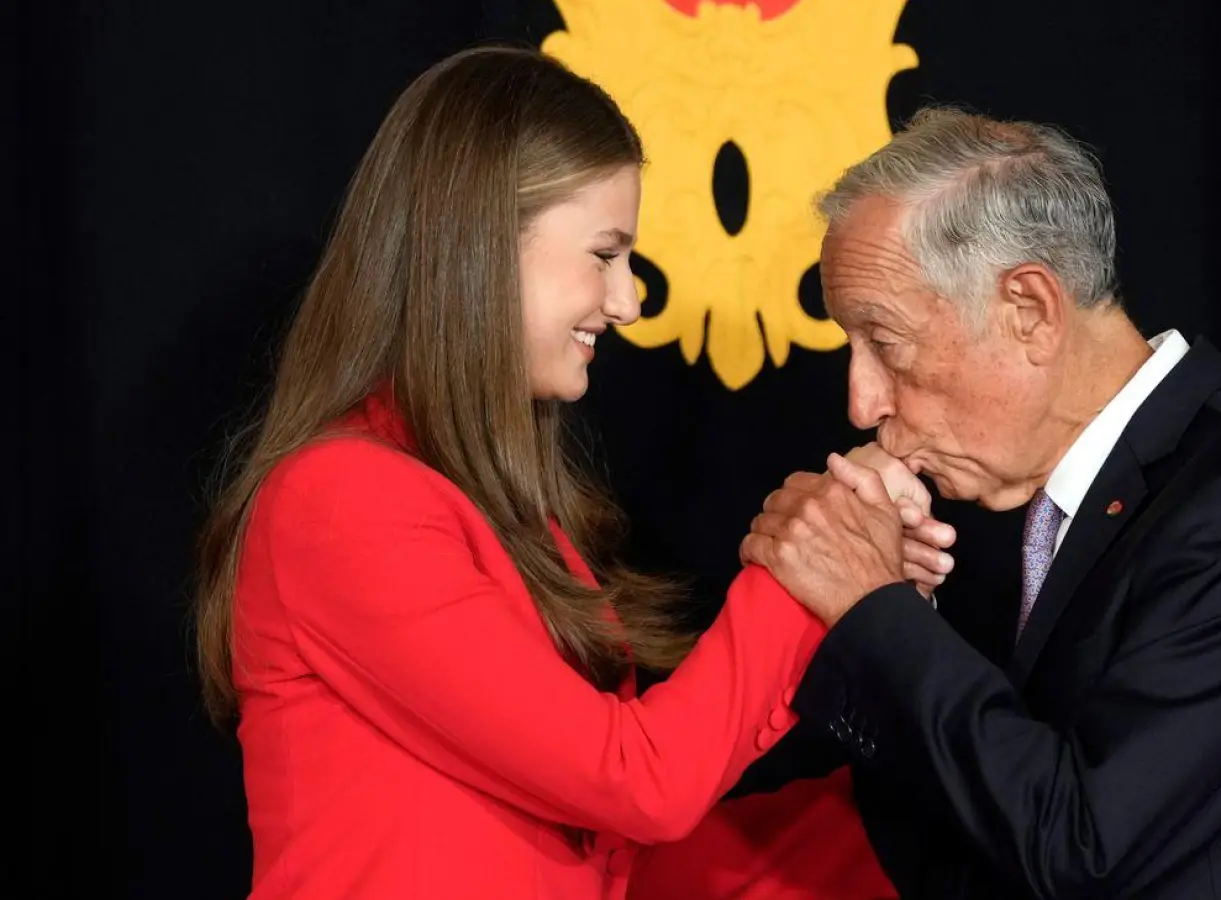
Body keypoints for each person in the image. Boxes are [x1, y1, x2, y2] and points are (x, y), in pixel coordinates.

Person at [192, 47, 925, 900]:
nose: (627, 302)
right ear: (479, 246)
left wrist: (854, 599)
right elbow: (639, 783)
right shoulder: (342, 501)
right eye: (605, 254)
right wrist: (809, 564)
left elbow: (610, 844)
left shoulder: (496, 509)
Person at [728, 108, 1221, 898]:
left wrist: (874, 609)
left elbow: (1078, 850)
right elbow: (963, 843)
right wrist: (887, 616)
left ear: (1029, 310)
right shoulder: (1016, 512)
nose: (861, 401)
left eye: (884, 344)